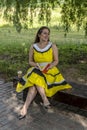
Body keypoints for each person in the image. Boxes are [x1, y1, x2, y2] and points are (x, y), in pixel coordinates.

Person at [16, 26, 72, 119]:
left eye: (48, 33)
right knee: (35, 80)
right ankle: (41, 101)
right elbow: (30, 61)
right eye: (45, 33)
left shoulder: (52, 46)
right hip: (37, 69)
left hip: (49, 70)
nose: (47, 35)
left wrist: (49, 66)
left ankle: (25, 108)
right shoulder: (33, 46)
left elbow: (56, 61)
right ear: (39, 35)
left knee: (35, 82)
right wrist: (36, 65)